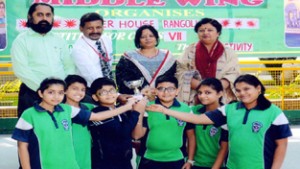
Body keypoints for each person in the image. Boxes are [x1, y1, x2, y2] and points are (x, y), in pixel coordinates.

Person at [147, 74, 292, 169]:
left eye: (247, 89)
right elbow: (198, 119)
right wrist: (164, 110)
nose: (242, 93)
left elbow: (282, 145)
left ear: (258, 89)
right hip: (232, 166)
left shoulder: (274, 113)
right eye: (238, 90)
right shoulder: (230, 109)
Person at [11, 77, 139, 169]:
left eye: (60, 93)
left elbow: (98, 114)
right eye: (51, 92)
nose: (56, 96)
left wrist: (122, 100)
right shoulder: (29, 114)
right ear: (40, 93)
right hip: (45, 164)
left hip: (75, 163)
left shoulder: (74, 109)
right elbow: (22, 146)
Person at [11, 3, 75, 117]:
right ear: (30, 17)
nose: (44, 18)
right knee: (33, 131)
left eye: (48, 15)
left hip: (60, 94)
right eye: (40, 15)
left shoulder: (59, 39)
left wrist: (62, 89)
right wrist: (43, 90)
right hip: (32, 93)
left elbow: (68, 65)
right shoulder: (21, 40)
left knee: (59, 129)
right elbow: (21, 69)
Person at [132, 75, 195, 169]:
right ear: (155, 91)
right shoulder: (148, 107)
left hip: (177, 159)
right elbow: (137, 136)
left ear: (177, 91)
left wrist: (190, 160)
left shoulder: (186, 109)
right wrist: (140, 110)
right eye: (161, 89)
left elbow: (191, 136)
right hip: (149, 159)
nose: (166, 92)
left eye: (171, 89)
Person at [176, 18, 240, 105]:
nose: (205, 33)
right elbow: (181, 71)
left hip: (221, 94)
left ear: (218, 33)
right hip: (196, 95)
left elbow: (233, 73)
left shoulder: (228, 52)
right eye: (201, 30)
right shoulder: (189, 50)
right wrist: (202, 87)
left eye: (210, 30)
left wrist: (214, 89)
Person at [88, 77, 147, 169]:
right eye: (103, 92)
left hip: (125, 161)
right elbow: (122, 132)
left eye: (112, 90)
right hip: (105, 164)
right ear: (95, 97)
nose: (109, 94)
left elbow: (133, 134)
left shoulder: (119, 110)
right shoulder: (97, 113)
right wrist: (136, 112)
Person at [116, 25, 176, 99]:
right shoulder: (129, 57)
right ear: (138, 40)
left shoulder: (167, 56)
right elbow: (123, 80)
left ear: (156, 38)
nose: (148, 39)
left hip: (164, 97)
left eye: (151, 36)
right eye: (143, 37)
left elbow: (173, 77)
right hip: (136, 98)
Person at [71, 12, 113, 102]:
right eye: (90, 28)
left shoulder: (106, 39)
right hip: (90, 91)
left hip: (107, 88)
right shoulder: (78, 49)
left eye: (98, 27)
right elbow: (93, 75)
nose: (95, 31)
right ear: (81, 29)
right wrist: (112, 92)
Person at [191, 78, 228, 169]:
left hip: (217, 165)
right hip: (195, 164)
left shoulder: (225, 114)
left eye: (208, 92)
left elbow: (224, 147)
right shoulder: (195, 110)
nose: (202, 96)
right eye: (200, 93)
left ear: (220, 93)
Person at [64, 75, 94, 169]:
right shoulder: (59, 110)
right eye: (75, 89)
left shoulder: (88, 107)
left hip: (86, 152)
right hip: (66, 154)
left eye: (82, 90)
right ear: (64, 90)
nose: (79, 92)